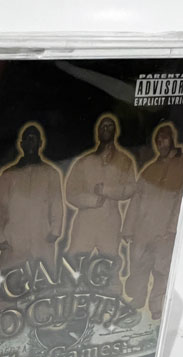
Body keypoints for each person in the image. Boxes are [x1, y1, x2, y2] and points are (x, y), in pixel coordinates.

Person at [122, 123, 183, 319]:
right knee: (139, 265)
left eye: (164, 138)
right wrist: (128, 229)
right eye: (158, 140)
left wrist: (173, 228)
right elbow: (136, 200)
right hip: (143, 230)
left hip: (165, 230)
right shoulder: (149, 169)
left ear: (173, 139)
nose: (161, 143)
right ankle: (138, 299)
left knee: (162, 270)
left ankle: (157, 307)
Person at [65, 114, 136, 293]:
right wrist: (91, 200)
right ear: (97, 132)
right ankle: (71, 299)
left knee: (110, 261)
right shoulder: (84, 162)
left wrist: (107, 190)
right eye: (103, 126)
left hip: (110, 221)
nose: (106, 129)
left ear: (115, 131)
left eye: (110, 126)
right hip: (85, 220)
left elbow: (130, 188)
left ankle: (112, 300)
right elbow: (70, 192)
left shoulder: (125, 161)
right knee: (75, 261)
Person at [0, 123, 63, 272]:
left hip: (41, 240)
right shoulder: (8, 175)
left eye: (34, 139)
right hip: (14, 243)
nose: (31, 142)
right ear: (21, 144)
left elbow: (57, 205)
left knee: (42, 280)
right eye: (27, 139)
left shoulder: (51, 173)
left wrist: (54, 232)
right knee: (11, 281)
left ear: (40, 143)